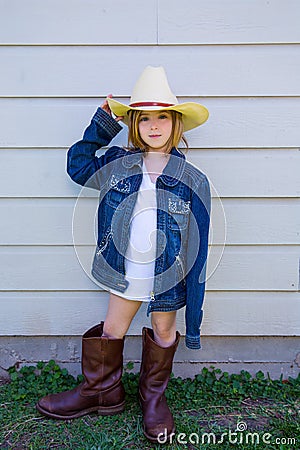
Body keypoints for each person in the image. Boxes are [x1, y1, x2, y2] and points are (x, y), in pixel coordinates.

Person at [36, 66, 211, 443]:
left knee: (164, 330)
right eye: (143, 117)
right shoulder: (117, 163)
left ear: (176, 122)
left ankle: (153, 398)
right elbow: (78, 166)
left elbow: (200, 244)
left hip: (168, 274)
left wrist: (193, 310)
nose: (153, 126)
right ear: (132, 124)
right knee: (113, 328)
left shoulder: (192, 179)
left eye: (162, 116)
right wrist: (102, 124)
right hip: (126, 269)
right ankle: (101, 391)